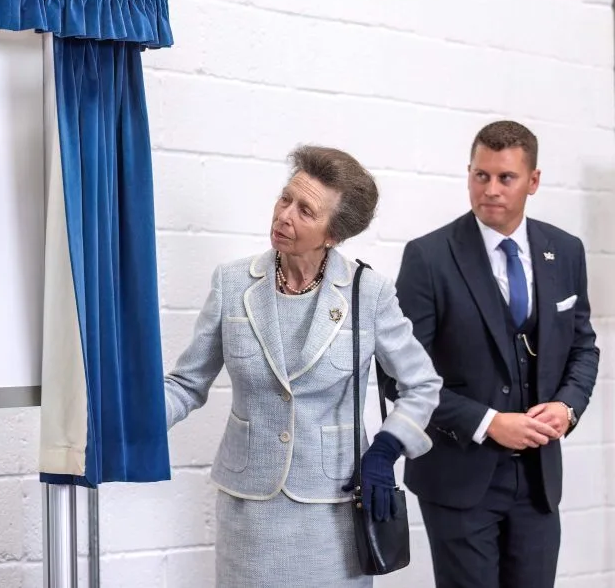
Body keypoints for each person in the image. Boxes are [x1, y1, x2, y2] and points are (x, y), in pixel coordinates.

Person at [164, 145, 443, 587]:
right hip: (249, 508)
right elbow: (185, 383)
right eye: (285, 198)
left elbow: (422, 384)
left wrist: (387, 449)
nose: (284, 215)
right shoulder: (233, 282)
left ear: (333, 234)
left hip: (333, 509)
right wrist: (131, 420)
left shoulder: (367, 292)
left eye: (306, 211)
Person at [392, 121, 600, 588]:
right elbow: (400, 378)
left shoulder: (565, 251)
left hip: (539, 478)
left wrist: (568, 407)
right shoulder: (428, 257)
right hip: (459, 474)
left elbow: (583, 347)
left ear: (534, 181)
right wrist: (488, 422)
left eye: (505, 178)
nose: (490, 189)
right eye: (479, 175)